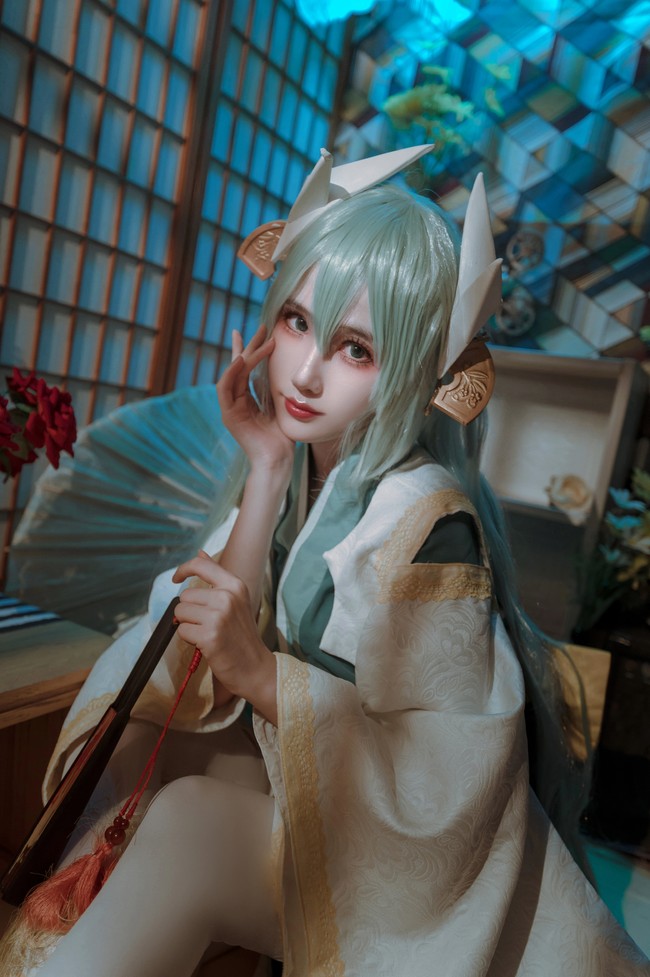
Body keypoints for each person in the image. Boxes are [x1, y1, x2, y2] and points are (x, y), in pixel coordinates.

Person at [5, 146, 648, 977]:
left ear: (414, 370)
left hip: (399, 856)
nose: (304, 372)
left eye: (356, 350)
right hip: (320, 789)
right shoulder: (303, 464)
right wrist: (267, 468)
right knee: (150, 767)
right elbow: (205, 644)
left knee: (191, 822)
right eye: (297, 323)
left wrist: (260, 671)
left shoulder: (428, 520)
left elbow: (446, 775)